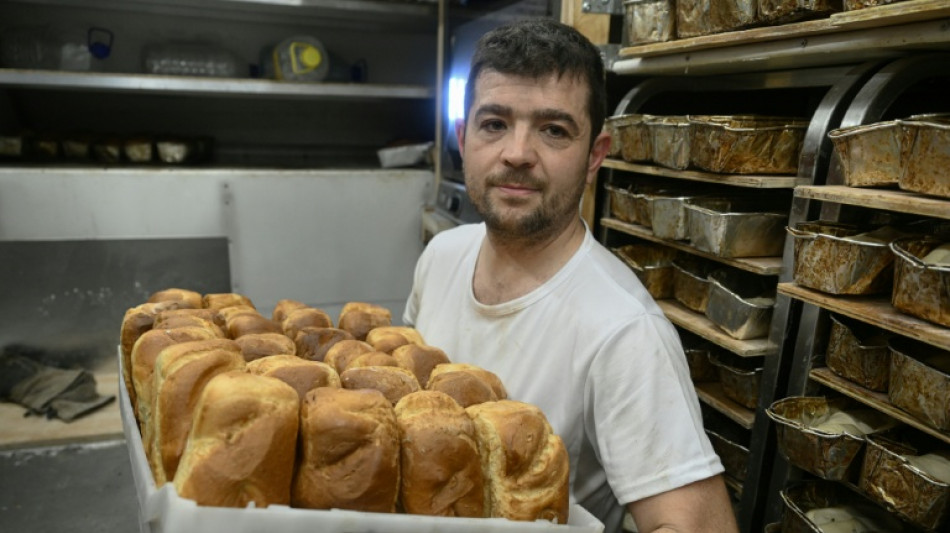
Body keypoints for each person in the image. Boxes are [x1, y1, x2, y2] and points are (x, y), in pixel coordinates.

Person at [403, 18, 739, 533]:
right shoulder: (442, 256)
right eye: (495, 124)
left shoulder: (624, 331)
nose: (517, 153)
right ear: (462, 138)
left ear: (593, 157)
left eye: (553, 130)